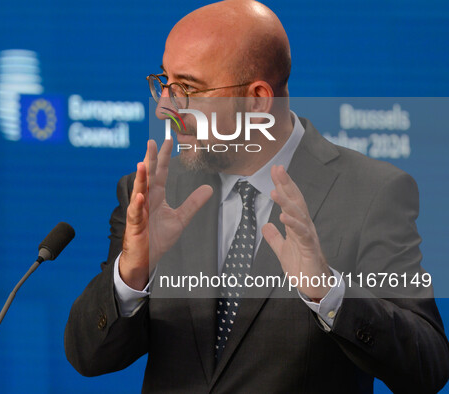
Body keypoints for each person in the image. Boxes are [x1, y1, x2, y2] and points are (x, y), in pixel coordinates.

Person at [64, 1, 449, 392]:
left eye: (188, 88)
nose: (165, 107)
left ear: (257, 100)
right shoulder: (151, 193)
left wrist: (328, 293)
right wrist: (132, 274)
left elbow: (428, 365)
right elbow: (89, 357)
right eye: (164, 82)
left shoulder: (370, 193)